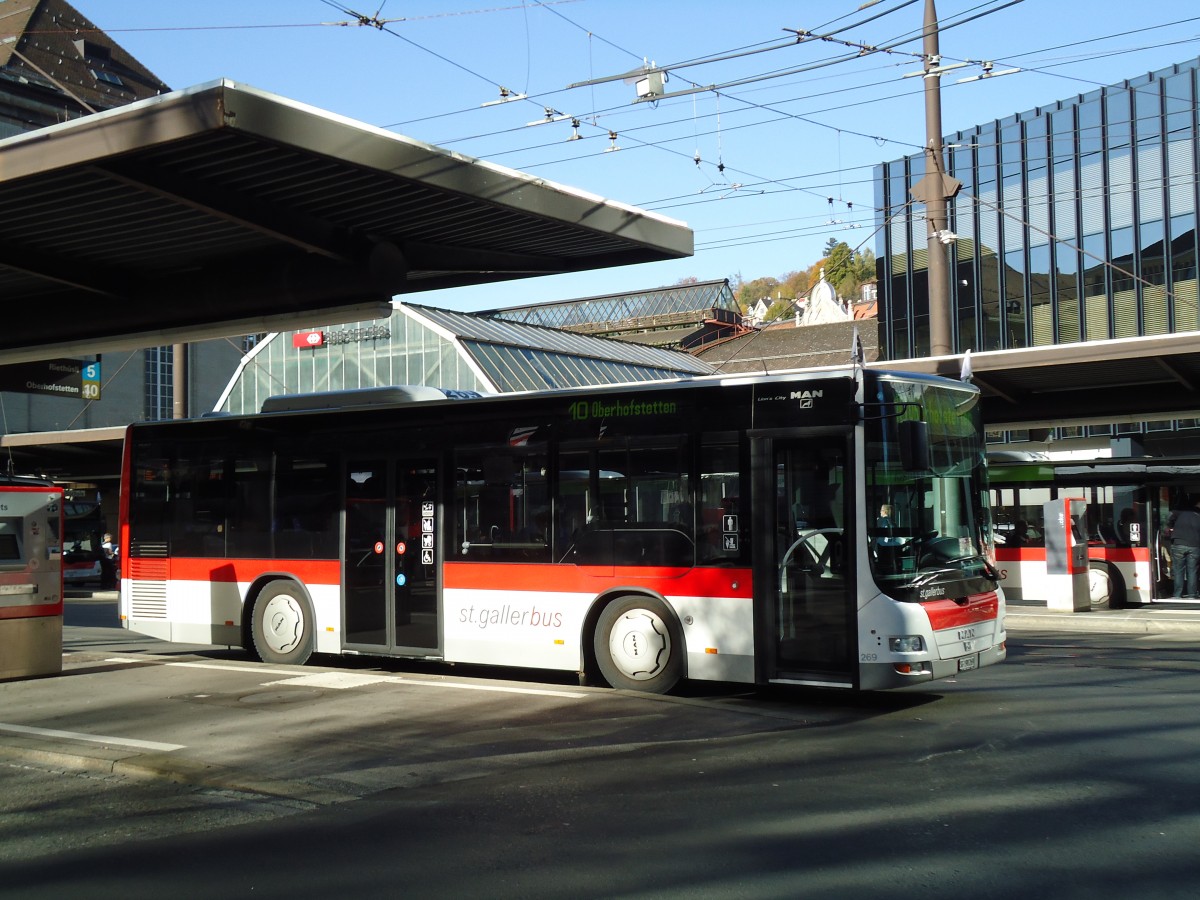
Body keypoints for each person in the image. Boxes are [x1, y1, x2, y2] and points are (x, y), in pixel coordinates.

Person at [1166, 498, 1200, 599]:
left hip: (1179, 543)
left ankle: (1177, 594)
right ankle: (1192, 594)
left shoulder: (1179, 512)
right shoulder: (1198, 515)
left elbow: (1169, 516)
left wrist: (1170, 526)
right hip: (1195, 545)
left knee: (1178, 570)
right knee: (1192, 570)